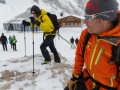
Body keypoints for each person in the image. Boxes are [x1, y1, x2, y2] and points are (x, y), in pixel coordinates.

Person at [65, 0, 120, 90]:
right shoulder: (87, 34)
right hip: (87, 81)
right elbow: (79, 55)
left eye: (88, 17)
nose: (84, 22)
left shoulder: (117, 43)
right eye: (85, 16)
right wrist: (76, 75)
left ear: (104, 18)